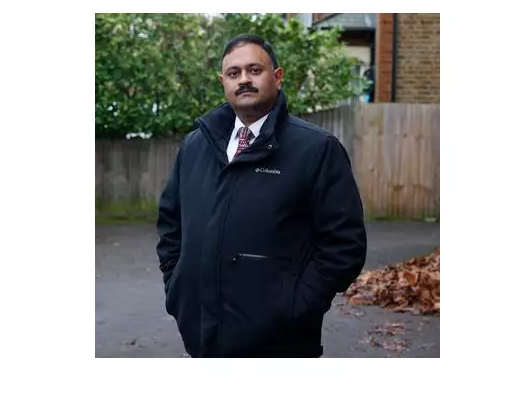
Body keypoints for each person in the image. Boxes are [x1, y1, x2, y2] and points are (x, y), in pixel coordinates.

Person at [156, 34, 367, 357]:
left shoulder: (317, 149)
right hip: (202, 337)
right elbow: (171, 226)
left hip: (282, 344)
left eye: (254, 70)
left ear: (277, 77)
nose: (244, 79)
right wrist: (177, 289)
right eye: (234, 73)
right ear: (223, 82)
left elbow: (344, 246)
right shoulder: (195, 146)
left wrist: (296, 306)